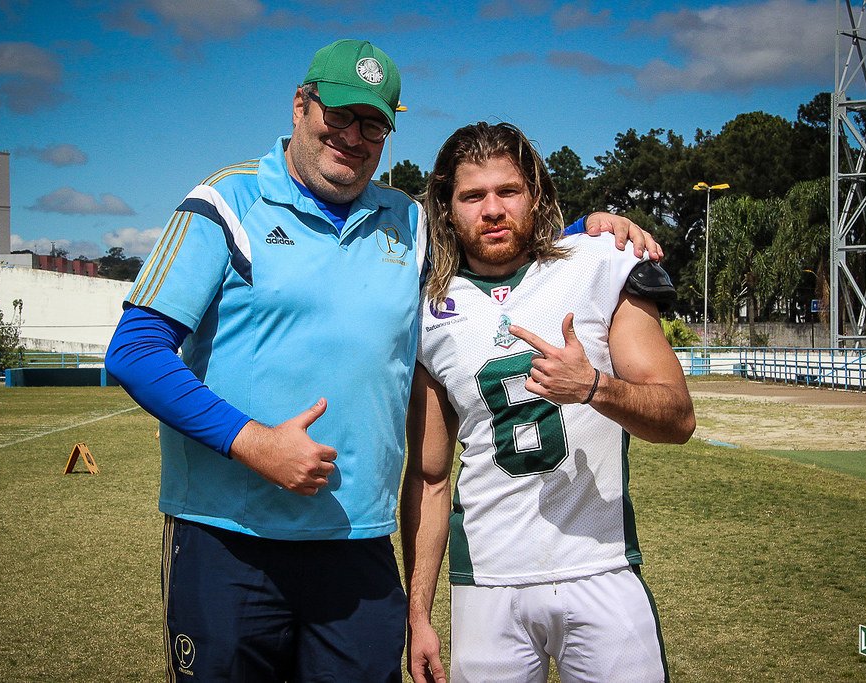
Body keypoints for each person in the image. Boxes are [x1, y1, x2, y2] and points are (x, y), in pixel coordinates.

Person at [106, 39, 659, 681]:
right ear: (300, 106)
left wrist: (595, 229)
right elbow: (135, 350)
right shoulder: (223, 204)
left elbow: (495, 241)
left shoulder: (408, 222)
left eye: (373, 124)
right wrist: (250, 442)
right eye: (337, 115)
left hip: (357, 548)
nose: (353, 137)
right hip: (229, 540)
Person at [402, 122, 695, 683]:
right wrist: (418, 614)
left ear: (535, 194)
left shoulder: (600, 263)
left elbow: (677, 417)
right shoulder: (428, 311)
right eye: (473, 196)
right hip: (486, 583)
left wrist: (593, 388)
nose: (492, 209)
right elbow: (431, 479)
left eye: (507, 191)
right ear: (448, 206)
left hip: (601, 566)